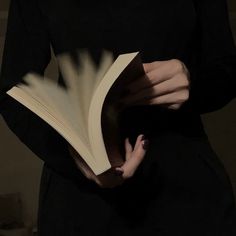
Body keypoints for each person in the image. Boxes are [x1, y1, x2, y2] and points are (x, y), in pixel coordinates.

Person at [0, 0, 236, 235]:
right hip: (79, 194)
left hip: (184, 187)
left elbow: (226, 71)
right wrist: (71, 153)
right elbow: (12, 89)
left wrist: (192, 83)